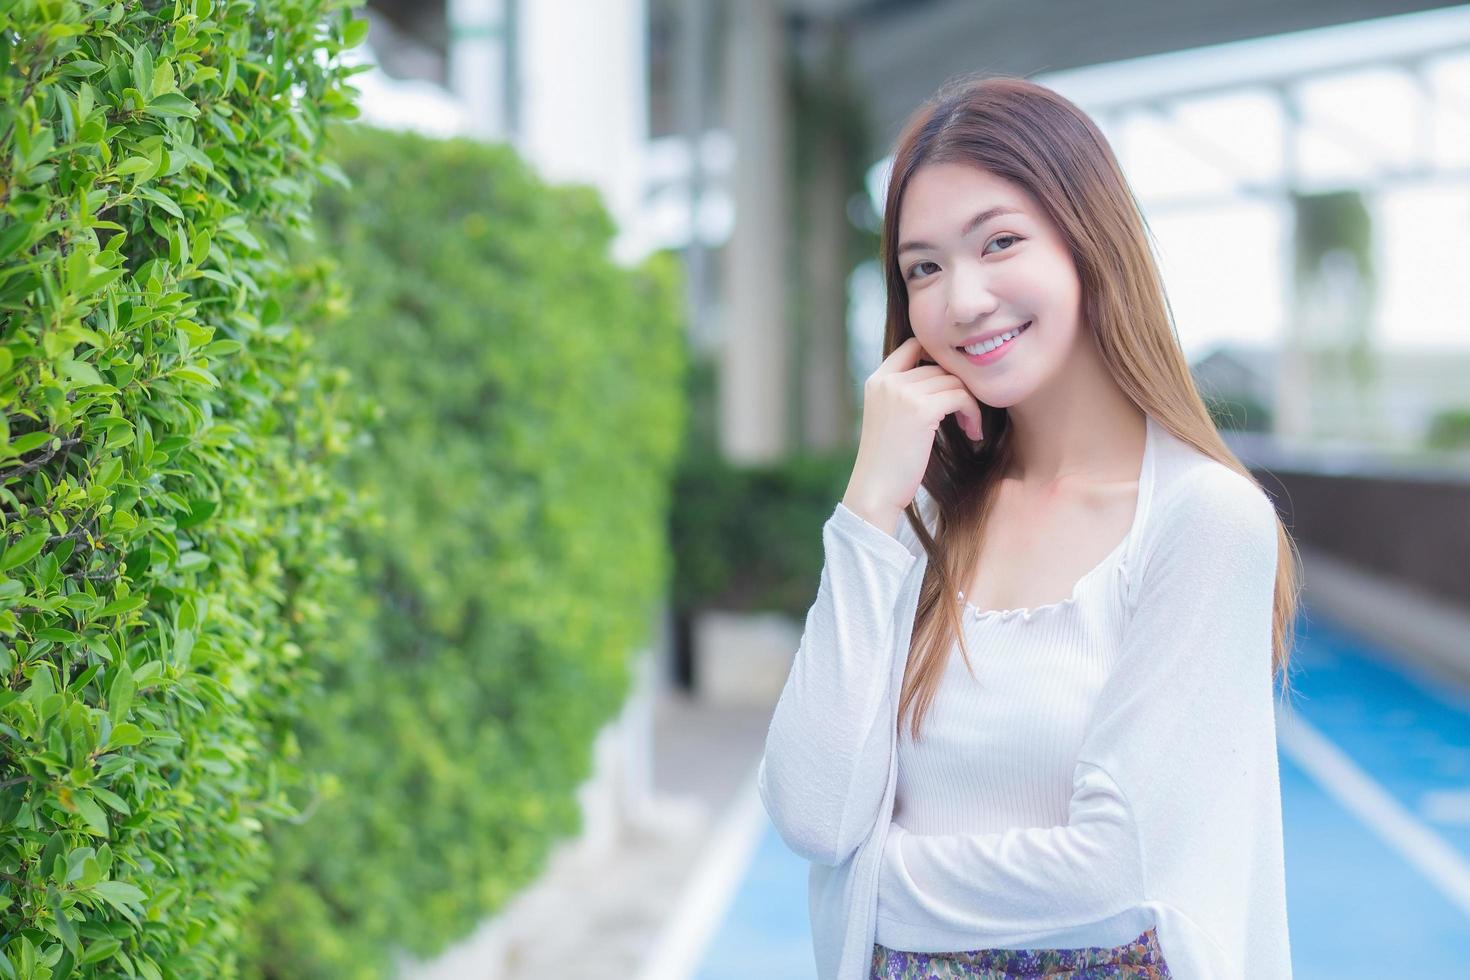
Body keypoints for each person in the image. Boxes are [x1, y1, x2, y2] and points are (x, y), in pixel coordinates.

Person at [757, 74, 1302, 980]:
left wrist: (864, 887)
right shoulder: (924, 520)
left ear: (1091, 244)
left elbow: (1119, 871)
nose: (961, 300)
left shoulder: (1202, 521)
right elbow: (814, 816)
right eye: (923, 267)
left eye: (999, 242)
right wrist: (867, 509)